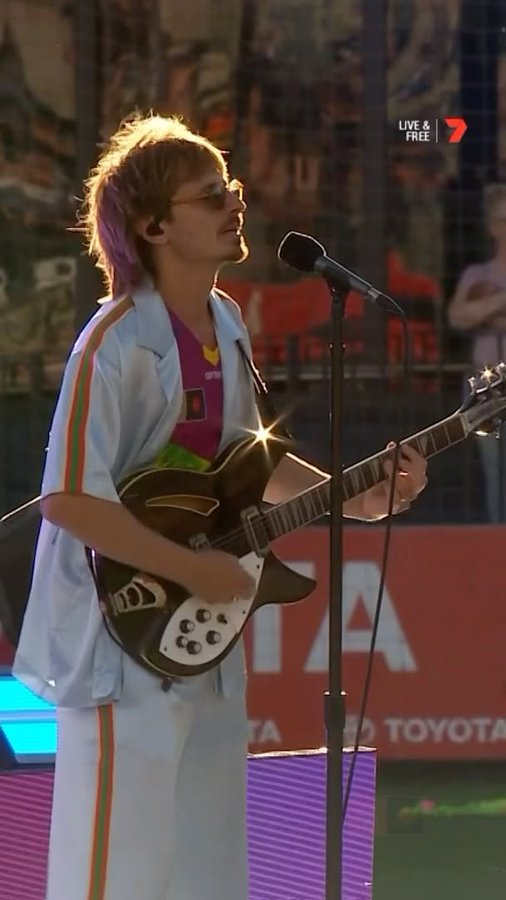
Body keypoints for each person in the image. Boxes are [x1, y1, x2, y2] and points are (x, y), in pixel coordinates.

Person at [13, 113, 428, 900]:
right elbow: (67, 497)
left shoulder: (226, 321)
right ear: (154, 225)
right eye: (212, 196)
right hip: (116, 640)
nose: (235, 204)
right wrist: (189, 568)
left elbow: (249, 463)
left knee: (210, 874)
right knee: (112, 879)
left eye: (230, 188)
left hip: (202, 649)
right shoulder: (111, 344)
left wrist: (363, 497)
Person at [448, 182, 506, 522]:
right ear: (491, 227)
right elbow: (458, 315)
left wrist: (488, 308)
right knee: (492, 470)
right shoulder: (477, 274)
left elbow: (473, 313)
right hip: (488, 382)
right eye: (501, 219)